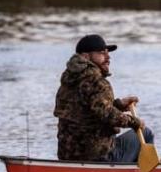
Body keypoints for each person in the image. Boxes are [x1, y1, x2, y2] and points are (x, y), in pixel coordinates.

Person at [54, 33, 154, 163]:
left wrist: (118, 105)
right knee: (146, 133)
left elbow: (88, 112)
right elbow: (108, 115)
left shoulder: (68, 82)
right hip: (98, 157)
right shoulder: (96, 81)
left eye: (107, 53)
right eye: (102, 53)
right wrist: (134, 122)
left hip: (68, 156)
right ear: (85, 56)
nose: (108, 57)